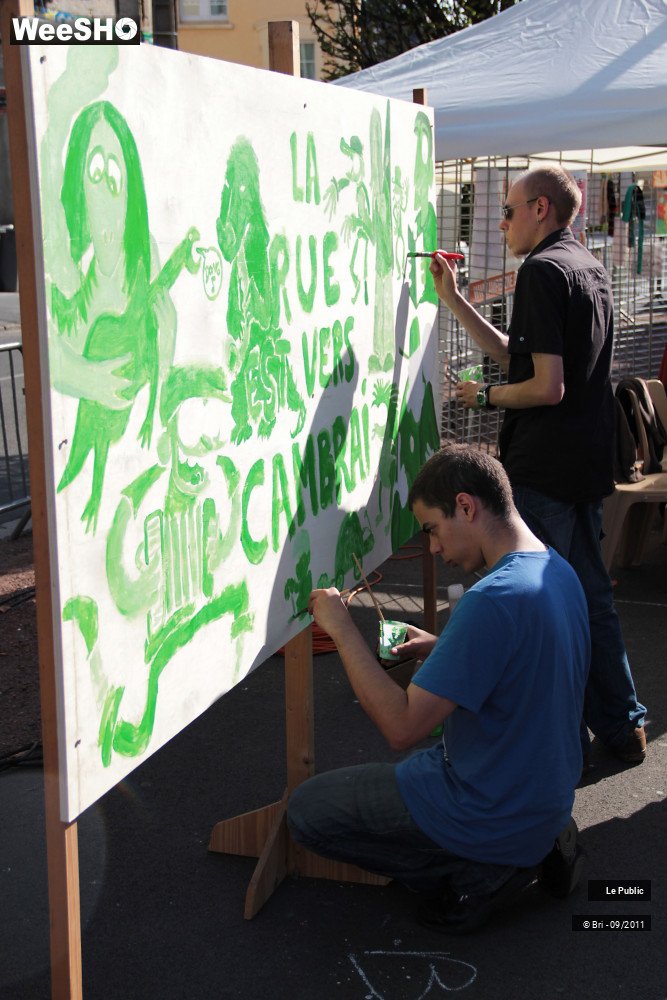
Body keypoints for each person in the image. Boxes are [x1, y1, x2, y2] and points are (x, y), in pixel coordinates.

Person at [288, 445, 588, 934]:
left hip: (487, 805)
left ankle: (483, 872)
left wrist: (342, 627)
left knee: (306, 812)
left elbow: (402, 727)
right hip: (544, 797)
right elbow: (526, 660)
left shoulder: (490, 600)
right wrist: (445, 646)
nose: (432, 548)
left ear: (466, 507)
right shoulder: (557, 570)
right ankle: (534, 844)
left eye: (432, 529)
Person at [429, 166, 646, 764]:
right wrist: (452, 301)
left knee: (540, 608)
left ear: (542, 209)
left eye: (510, 210)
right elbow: (518, 357)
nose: (502, 222)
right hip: (582, 464)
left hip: (547, 468)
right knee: (588, 600)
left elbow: (543, 388)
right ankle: (622, 725)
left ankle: (560, 744)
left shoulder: (543, 272)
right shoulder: (584, 264)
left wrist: (483, 397)